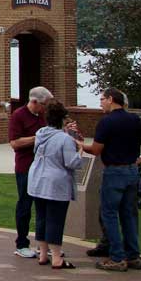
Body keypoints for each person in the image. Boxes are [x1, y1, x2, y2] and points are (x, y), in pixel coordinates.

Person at [81, 88, 141, 271]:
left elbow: (96, 150)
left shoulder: (106, 122)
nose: (101, 103)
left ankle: (117, 257)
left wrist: (79, 145)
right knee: (129, 215)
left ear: (111, 99)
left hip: (113, 173)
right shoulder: (133, 119)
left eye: (102, 99)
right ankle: (133, 256)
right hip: (132, 173)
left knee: (109, 214)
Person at [26, 100, 84, 269]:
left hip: (37, 180)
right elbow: (72, 162)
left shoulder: (40, 134)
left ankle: (43, 254)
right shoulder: (65, 139)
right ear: (62, 119)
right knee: (55, 220)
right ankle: (57, 257)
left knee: (42, 218)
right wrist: (79, 150)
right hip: (56, 183)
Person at [8, 87, 50, 258]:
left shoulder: (43, 116)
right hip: (26, 167)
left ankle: (44, 245)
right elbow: (15, 143)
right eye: (44, 105)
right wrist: (39, 136)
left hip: (44, 167)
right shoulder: (18, 115)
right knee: (25, 205)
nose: (45, 108)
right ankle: (22, 243)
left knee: (44, 206)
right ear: (34, 102)